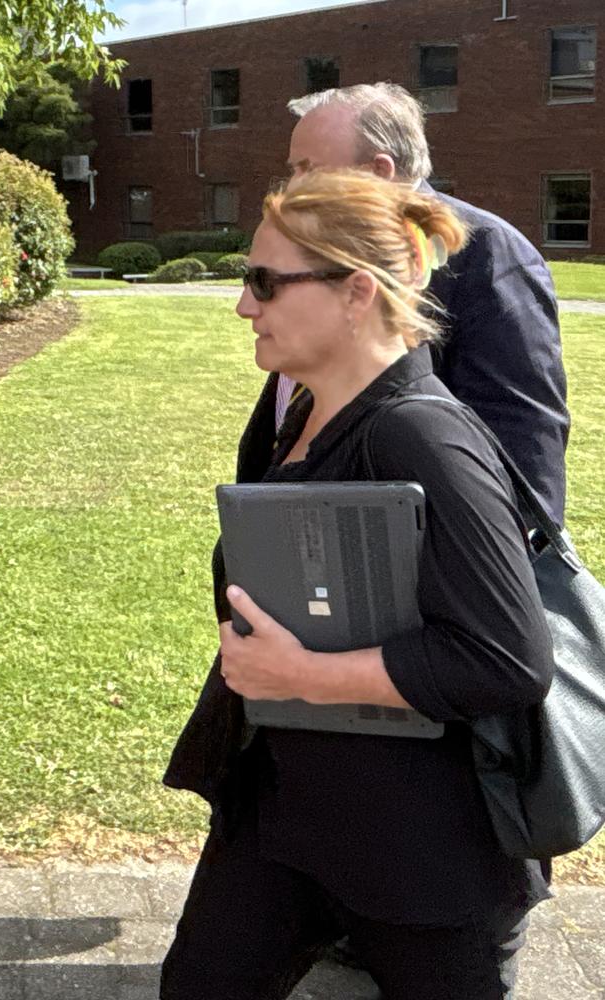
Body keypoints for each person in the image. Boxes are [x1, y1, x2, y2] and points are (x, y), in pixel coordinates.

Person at [160, 169, 555, 1000]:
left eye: (265, 282)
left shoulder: (422, 436)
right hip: (287, 814)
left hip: (414, 849)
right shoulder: (308, 415)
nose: (244, 305)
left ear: (355, 293)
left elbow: (506, 659)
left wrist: (303, 676)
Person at [237, 82, 569, 527]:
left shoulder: (488, 253)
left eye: (308, 168)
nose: (293, 186)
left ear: (379, 170)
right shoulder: (326, 253)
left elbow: (524, 444)